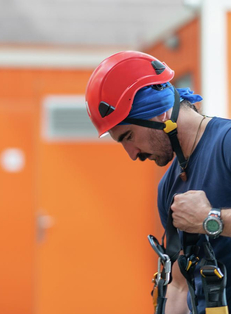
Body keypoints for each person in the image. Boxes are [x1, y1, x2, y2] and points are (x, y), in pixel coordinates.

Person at [85, 50, 231, 314]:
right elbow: (178, 286)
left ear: (160, 112)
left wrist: (210, 219)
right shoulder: (168, 187)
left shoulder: (227, 144)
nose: (132, 154)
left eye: (128, 136)